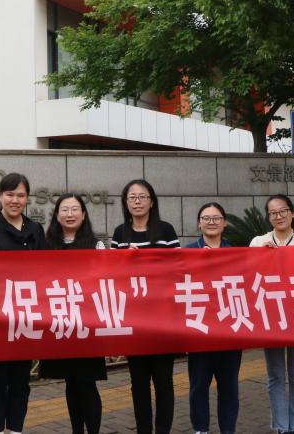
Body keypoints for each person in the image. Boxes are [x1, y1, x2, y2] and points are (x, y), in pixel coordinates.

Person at [0, 173, 45, 434]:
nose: (15, 200)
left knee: (21, 380)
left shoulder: (35, 229)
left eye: (21, 195)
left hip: (25, 314)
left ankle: (15, 429)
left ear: (27, 198)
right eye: (10, 194)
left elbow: (44, 272)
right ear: (0, 196)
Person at [110, 179, 178, 434]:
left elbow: (177, 268)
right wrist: (125, 261)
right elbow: (113, 275)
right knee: (138, 383)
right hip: (134, 321)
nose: (137, 202)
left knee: (164, 381)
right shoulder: (120, 233)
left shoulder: (166, 230)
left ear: (152, 201)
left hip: (162, 320)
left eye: (142, 197)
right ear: (125, 203)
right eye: (132, 197)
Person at [38, 193, 107, 434]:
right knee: (71, 382)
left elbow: (104, 281)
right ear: (57, 215)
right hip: (60, 324)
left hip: (87, 325)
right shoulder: (47, 246)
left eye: (75, 209)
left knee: (87, 383)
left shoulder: (96, 246)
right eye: (64, 210)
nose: (70, 214)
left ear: (83, 214)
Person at [249, 194, 294, 434]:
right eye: (273, 213)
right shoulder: (258, 242)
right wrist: (262, 256)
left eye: (283, 211)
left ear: (292, 213)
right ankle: (281, 427)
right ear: (268, 217)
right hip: (271, 318)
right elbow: (248, 274)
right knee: (275, 376)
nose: (279, 216)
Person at [184, 202, 241, 434]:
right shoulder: (187, 252)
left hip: (229, 331)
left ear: (224, 223)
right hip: (199, 330)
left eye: (216, 218)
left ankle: (228, 429)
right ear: (199, 223)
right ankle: (201, 429)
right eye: (206, 218)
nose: (211, 222)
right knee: (199, 385)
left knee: (229, 386)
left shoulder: (236, 254)